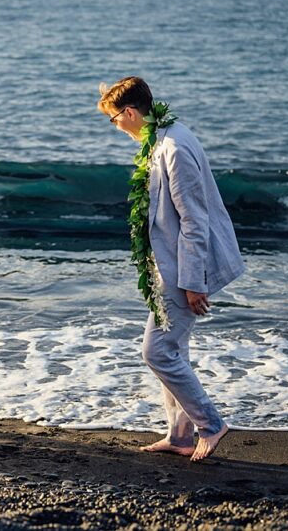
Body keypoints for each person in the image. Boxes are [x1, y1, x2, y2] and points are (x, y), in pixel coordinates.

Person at [98, 77, 244, 461]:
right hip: (169, 265)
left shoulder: (174, 149)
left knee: (157, 350)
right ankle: (179, 435)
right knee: (174, 347)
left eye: (114, 120)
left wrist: (194, 283)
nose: (115, 128)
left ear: (129, 113)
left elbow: (194, 221)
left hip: (184, 269)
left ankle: (210, 424)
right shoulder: (161, 139)